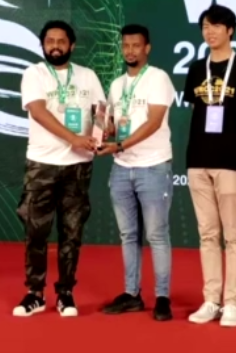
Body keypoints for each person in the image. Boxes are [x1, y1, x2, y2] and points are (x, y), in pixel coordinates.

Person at [13, 20, 106, 317]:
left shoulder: (88, 76)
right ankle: (35, 293)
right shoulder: (34, 74)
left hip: (78, 166)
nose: (55, 46)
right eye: (50, 41)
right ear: (43, 45)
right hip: (42, 164)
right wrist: (74, 138)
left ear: (72, 45)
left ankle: (66, 293)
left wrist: (101, 135)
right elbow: (38, 112)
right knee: (35, 231)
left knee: (72, 232)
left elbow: (101, 112)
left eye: (61, 41)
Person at [182, 4, 236, 327]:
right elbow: (197, 111)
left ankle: (233, 303)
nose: (209, 31)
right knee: (207, 234)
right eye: (205, 26)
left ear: (230, 30)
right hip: (197, 161)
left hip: (231, 163)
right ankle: (211, 300)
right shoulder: (195, 68)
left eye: (216, 26)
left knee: (234, 235)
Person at [97, 24, 176, 321]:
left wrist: (119, 144)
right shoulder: (117, 85)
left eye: (136, 45)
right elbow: (114, 124)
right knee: (128, 235)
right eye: (126, 45)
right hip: (122, 168)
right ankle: (132, 294)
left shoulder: (158, 78)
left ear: (147, 48)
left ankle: (162, 297)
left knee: (156, 235)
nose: (130, 51)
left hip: (153, 166)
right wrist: (103, 129)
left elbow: (154, 122)